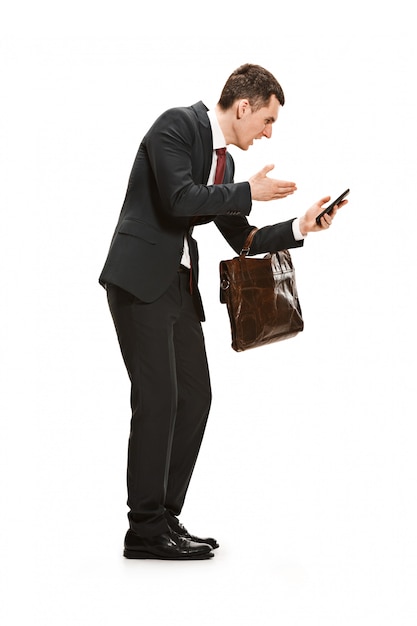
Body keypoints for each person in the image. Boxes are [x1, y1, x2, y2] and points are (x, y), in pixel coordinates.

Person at [99, 63, 347, 561]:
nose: (269, 133)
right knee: (159, 399)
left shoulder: (227, 167)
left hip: (178, 288)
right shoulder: (176, 125)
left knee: (195, 396)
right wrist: (245, 192)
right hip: (140, 280)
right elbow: (177, 200)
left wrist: (300, 226)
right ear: (243, 107)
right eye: (268, 121)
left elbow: (245, 238)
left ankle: (165, 518)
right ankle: (143, 528)